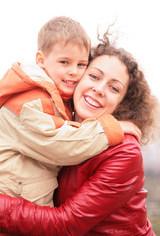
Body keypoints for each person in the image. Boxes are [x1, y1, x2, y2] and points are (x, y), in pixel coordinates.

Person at [0, 30, 158, 236]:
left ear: (123, 104)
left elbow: (66, 225)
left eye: (114, 88)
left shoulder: (124, 151)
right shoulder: (60, 128)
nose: (99, 89)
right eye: (94, 76)